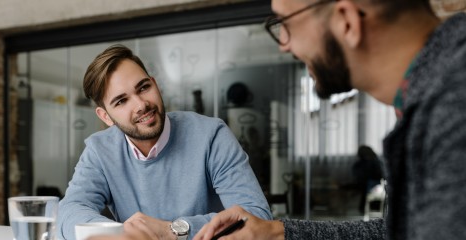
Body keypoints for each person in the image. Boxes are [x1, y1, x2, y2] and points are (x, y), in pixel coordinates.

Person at [192, 0, 466, 239]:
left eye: (287, 23)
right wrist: (278, 233)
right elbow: (394, 232)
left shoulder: (453, 107)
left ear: (347, 22)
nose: (284, 45)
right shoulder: (430, 95)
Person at [57, 44, 272, 240]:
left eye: (143, 88)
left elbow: (256, 218)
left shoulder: (211, 135)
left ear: (155, 84)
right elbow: (71, 209)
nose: (141, 104)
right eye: (122, 101)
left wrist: (175, 230)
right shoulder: (99, 150)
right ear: (105, 117)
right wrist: (119, 235)